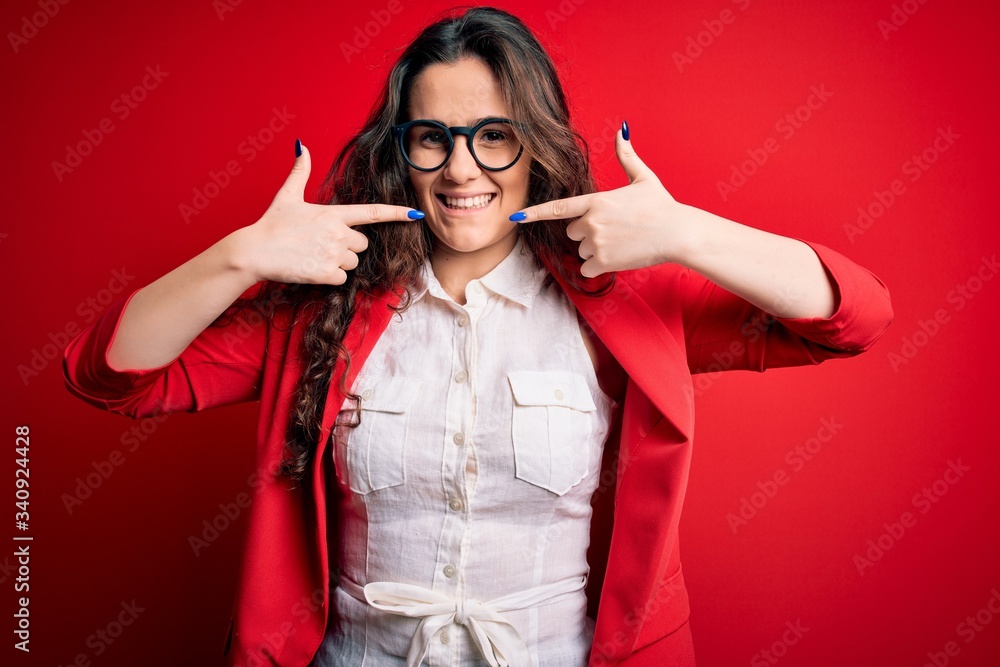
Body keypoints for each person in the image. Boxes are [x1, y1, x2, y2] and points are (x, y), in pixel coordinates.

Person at [62, 6, 893, 667]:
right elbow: (109, 375)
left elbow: (855, 317)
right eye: (434, 138)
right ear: (404, 150)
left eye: (494, 136)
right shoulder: (324, 309)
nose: (463, 169)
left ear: (536, 144)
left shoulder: (626, 301)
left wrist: (686, 233)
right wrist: (239, 256)